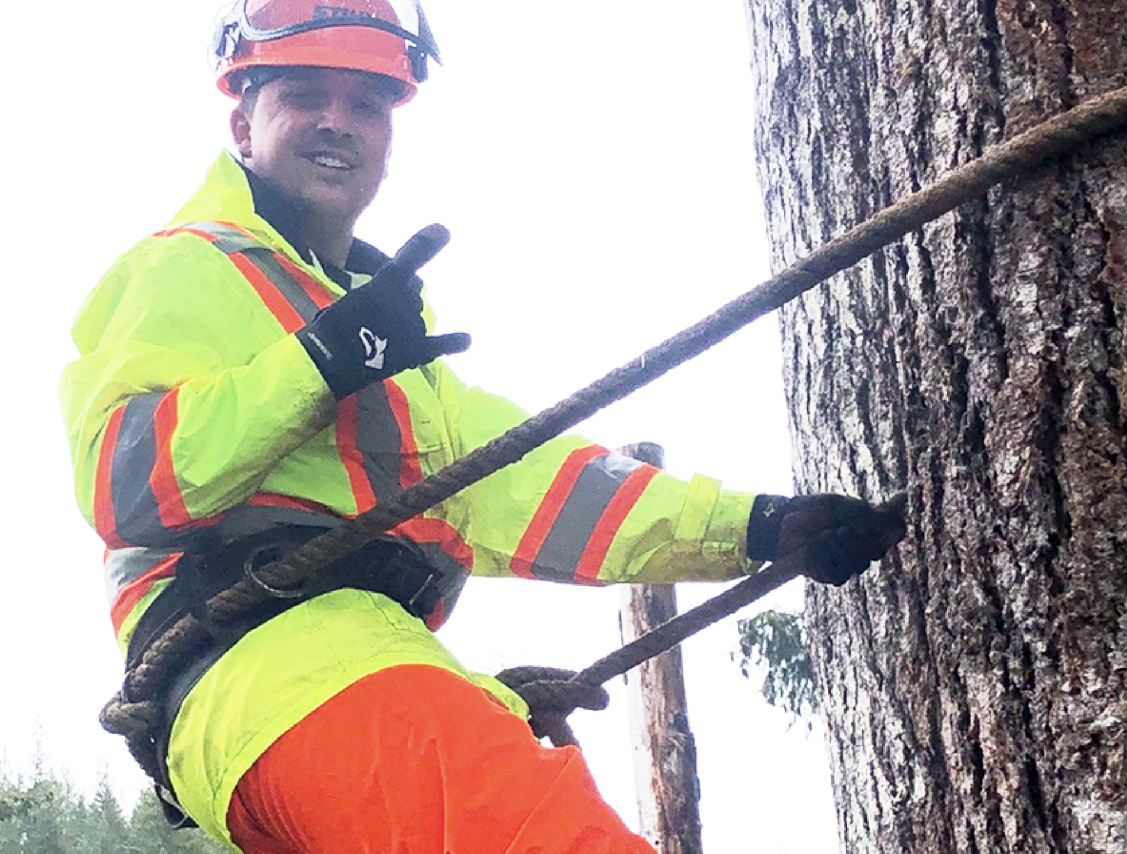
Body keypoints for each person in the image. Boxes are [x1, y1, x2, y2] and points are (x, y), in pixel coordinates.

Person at [58, 2, 906, 852]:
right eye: (305, 95)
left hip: (314, 695)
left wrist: (757, 528)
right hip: (283, 677)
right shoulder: (186, 265)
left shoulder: (392, 336)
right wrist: (320, 361)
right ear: (243, 121)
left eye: (367, 104)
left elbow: (535, 488)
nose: (336, 122)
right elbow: (124, 479)